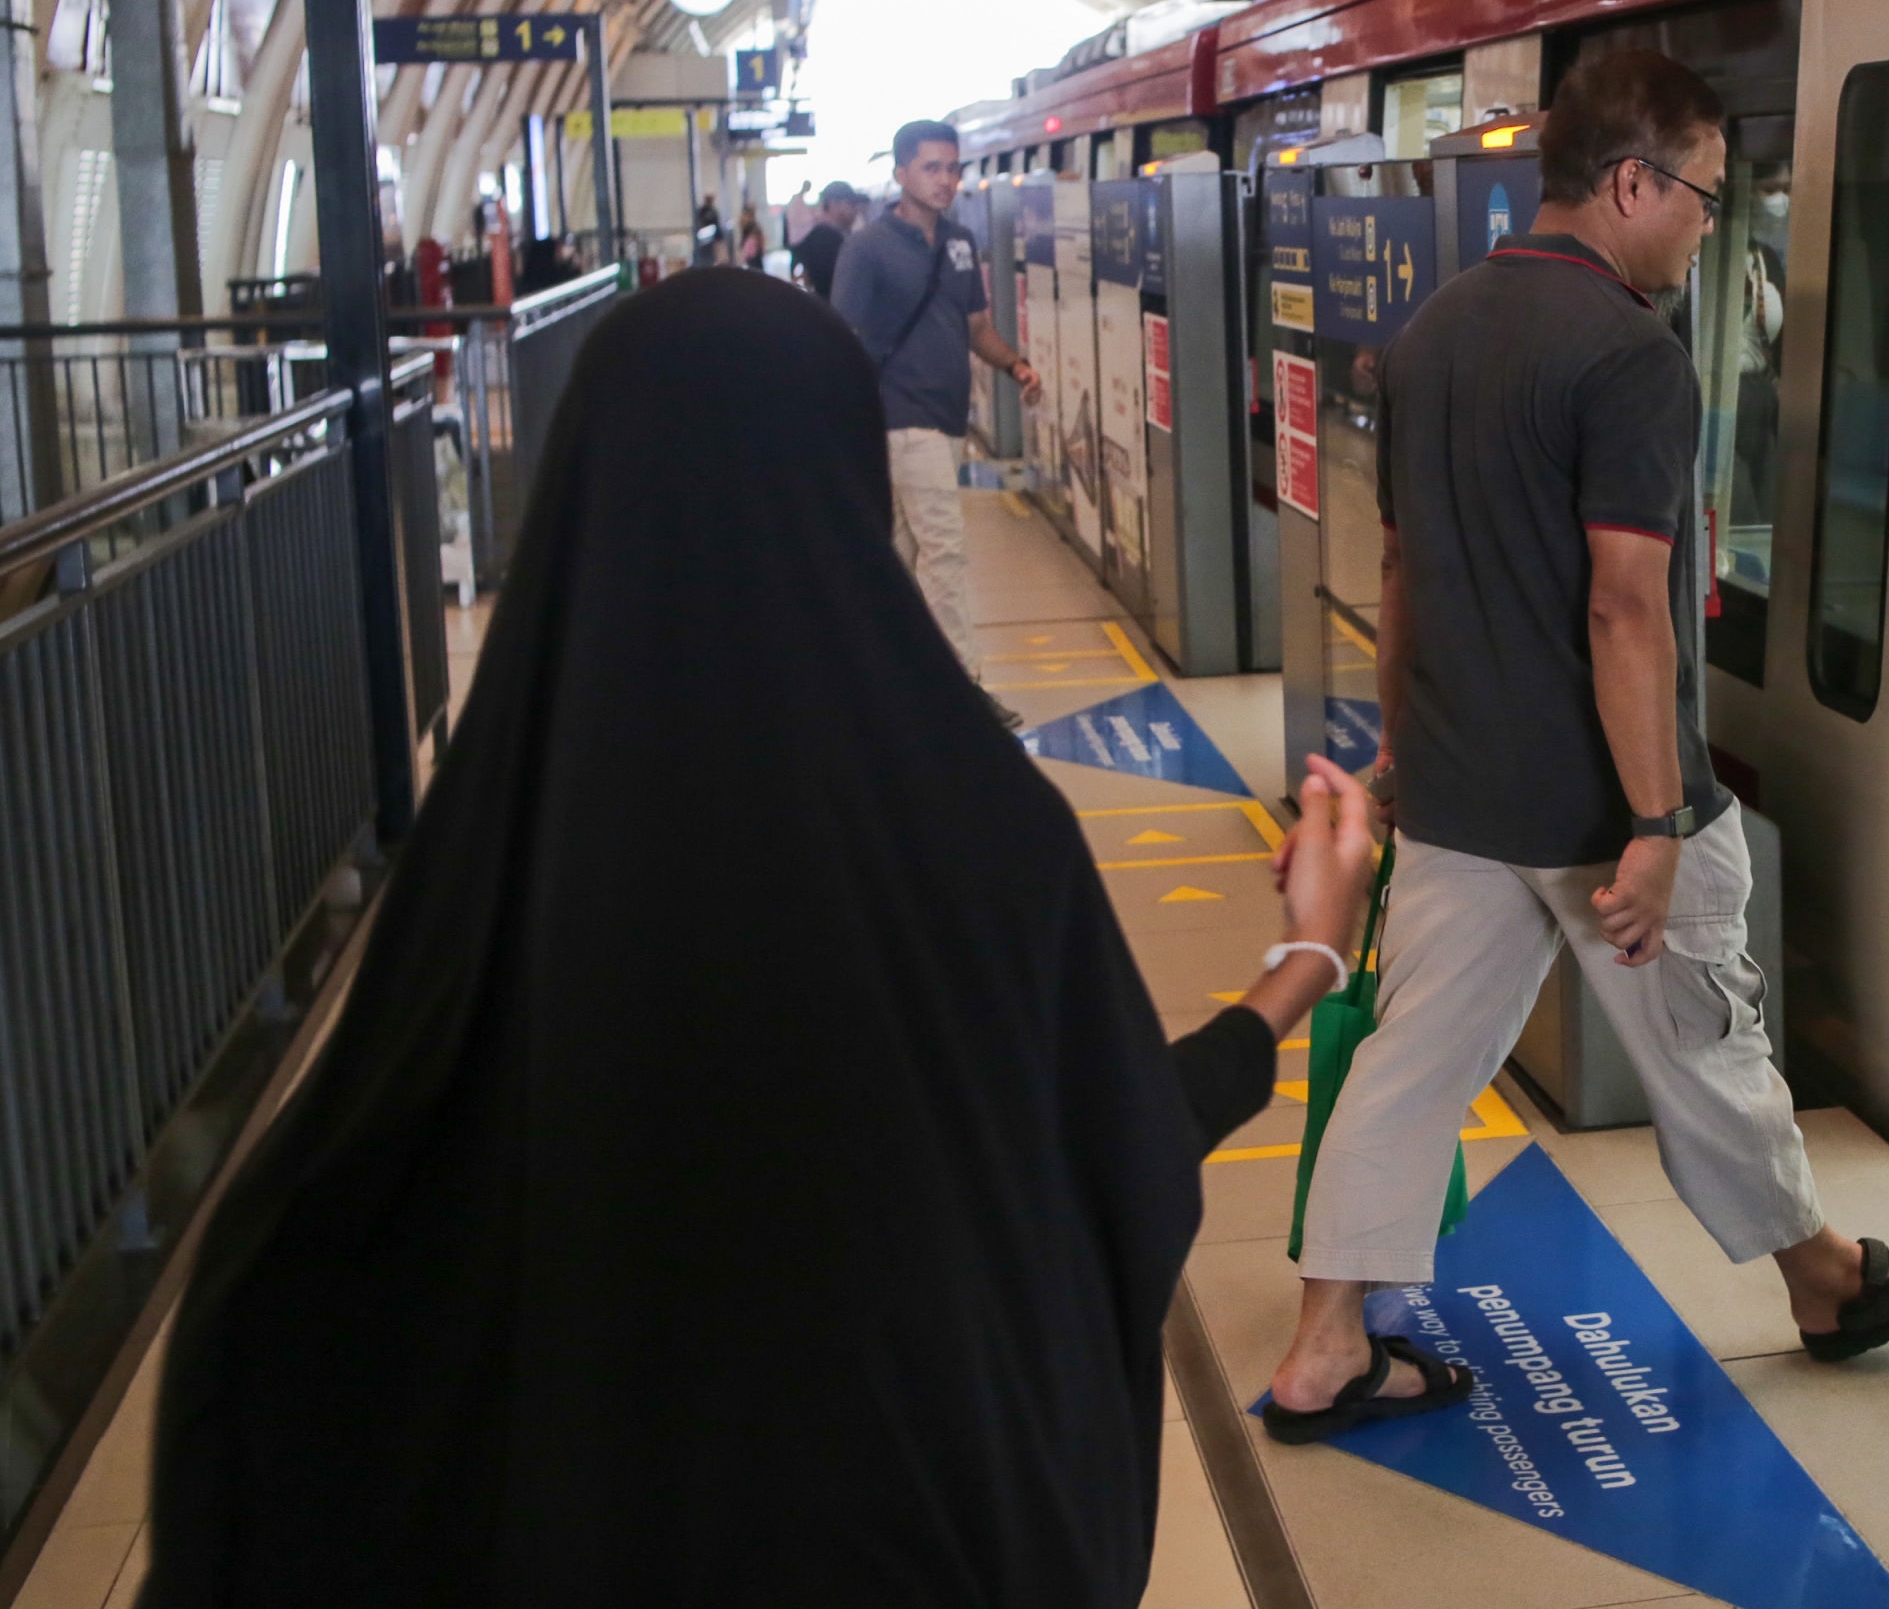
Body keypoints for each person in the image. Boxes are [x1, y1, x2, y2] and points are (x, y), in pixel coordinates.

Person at [137, 270, 1384, 1606]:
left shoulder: (496, 858)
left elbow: (294, 1341)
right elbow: (1106, 1144)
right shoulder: (974, 835)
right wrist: (1305, 959)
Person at [1263, 51, 1889, 1442]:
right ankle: (1827, 1284)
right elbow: (1625, 607)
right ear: (1630, 182)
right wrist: (1655, 825)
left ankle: (1321, 1353)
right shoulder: (1628, 356)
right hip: (1607, 804)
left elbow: (1404, 570)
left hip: (1466, 793)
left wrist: (1401, 749)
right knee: (1712, 1049)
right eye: (1706, 201)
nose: (1709, 229)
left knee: (1407, 1070)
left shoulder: (1430, 337)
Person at [829, 121, 1041, 703]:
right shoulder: (867, 248)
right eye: (932, 168)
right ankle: (964, 692)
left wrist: (1015, 365)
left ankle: (888, 682)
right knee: (943, 551)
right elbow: (840, 334)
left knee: (901, 556)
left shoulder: (960, 243)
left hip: (945, 420)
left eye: (953, 168)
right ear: (901, 174)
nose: (947, 180)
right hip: (898, 417)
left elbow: (975, 327)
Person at [791, 180, 862, 302]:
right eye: (851, 204)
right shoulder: (827, 239)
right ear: (834, 205)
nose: (856, 211)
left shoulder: (821, 235)